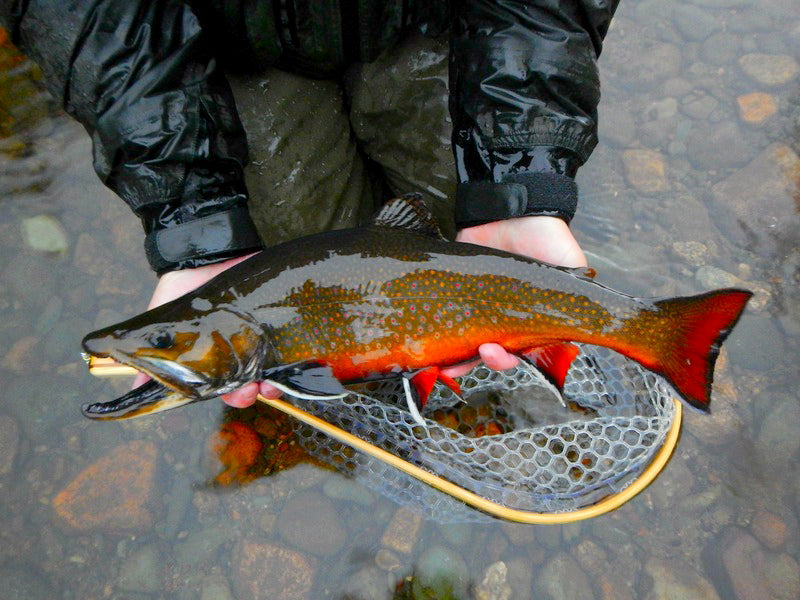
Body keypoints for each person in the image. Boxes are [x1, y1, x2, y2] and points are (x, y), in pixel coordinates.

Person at [2, 0, 618, 407]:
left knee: (468, 203)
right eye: (164, 346)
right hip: (221, 46)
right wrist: (193, 212)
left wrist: (523, 175)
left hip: (444, 18)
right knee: (301, 225)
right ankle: (398, 385)